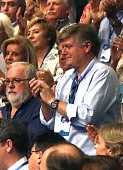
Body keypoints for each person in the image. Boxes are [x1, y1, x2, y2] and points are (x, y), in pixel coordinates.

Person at [31, 24, 120, 155]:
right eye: (62, 48)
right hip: (63, 155)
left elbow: (86, 117)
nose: (63, 53)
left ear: (87, 47)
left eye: (68, 47)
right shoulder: (66, 77)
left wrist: (53, 101)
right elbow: (52, 122)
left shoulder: (104, 73)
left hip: (91, 156)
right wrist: (44, 98)